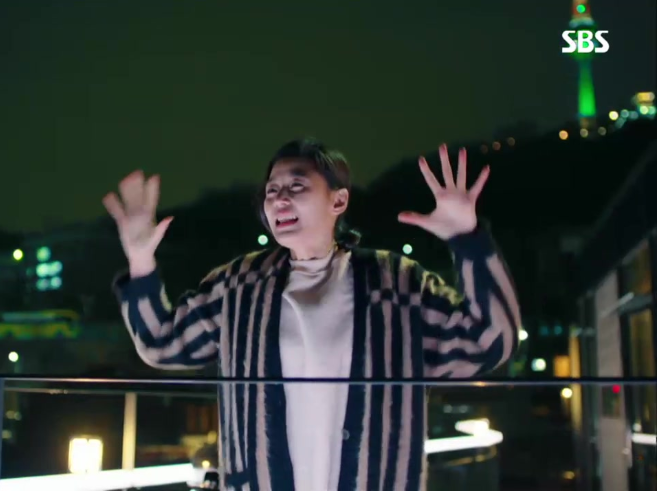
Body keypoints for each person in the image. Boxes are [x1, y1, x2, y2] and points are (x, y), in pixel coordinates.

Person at [104, 138, 521, 491]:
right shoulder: (239, 284)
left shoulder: (395, 282)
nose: (279, 197)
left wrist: (468, 240)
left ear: (338, 200)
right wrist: (141, 260)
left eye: (297, 185)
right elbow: (162, 343)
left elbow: (489, 342)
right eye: (271, 189)